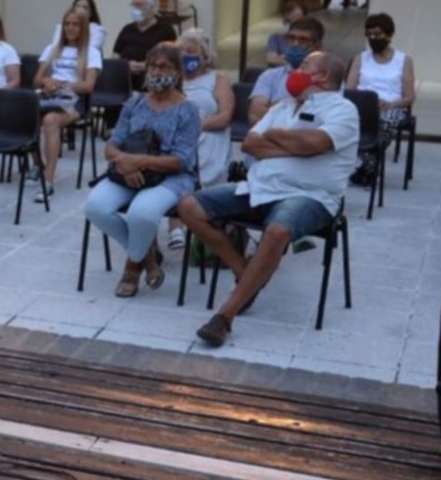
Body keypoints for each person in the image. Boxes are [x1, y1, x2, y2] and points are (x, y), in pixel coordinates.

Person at [179, 52, 358, 348]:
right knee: (189, 206)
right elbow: (250, 143)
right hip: (258, 189)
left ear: (322, 76)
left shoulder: (343, 109)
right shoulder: (283, 107)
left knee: (277, 231)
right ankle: (244, 272)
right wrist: (297, 146)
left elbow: (318, 142)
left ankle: (225, 316)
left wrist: (275, 136)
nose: (294, 72)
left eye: (303, 67)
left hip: (310, 196)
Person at [85, 43, 200, 297]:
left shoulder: (188, 110)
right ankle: (147, 258)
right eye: (154, 66)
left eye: (165, 67)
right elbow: (111, 148)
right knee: (96, 207)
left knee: (142, 214)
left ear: (178, 73)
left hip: (171, 177)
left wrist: (138, 162)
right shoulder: (134, 104)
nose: (158, 72)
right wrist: (126, 165)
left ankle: (132, 268)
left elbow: (181, 160)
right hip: (128, 171)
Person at [167, 28, 233, 250]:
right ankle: (175, 227)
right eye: (181, 51)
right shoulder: (172, 80)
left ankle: (202, 227)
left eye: (191, 51)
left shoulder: (218, 79)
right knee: (172, 166)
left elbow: (224, 116)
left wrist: (192, 126)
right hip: (178, 138)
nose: (186, 56)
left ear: (204, 56)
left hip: (210, 134)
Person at [34, 8, 103, 201]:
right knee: (22, 114)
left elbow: (89, 85)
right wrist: (46, 82)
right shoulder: (52, 49)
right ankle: (37, 163)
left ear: (83, 29)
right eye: (67, 24)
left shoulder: (91, 52)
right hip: (49, 95)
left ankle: (47, 181)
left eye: (75, 24)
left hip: (74, 100)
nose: (70, 28)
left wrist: (64, 85)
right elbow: (37, 79)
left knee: (49, 120)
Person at [249, 17, 323, 125]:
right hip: (268, 137)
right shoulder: (269, 76)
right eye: (291, 38)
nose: (295, 44)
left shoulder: (326, 79)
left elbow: (320, 120)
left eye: (303, 40)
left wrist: (274, 105)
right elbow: (254, 116)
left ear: (317, 46)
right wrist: (298, 105)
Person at [113, 0, 179, 73]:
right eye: (133, 5)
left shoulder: (166, 30)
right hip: (125, 78)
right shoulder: (127, 29)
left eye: (139, 5)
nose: (134, 9)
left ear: (152, 7)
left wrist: (146, 66)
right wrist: (125, 65)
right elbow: (115, 56)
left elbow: (172, 59)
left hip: (153, 77)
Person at [264, 2, 308, 67]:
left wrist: (283, 58)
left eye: (297, 22)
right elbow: (271, 59)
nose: (291, 25)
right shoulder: (275, 38)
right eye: (288, 20)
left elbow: (316, 61)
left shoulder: (311, 38)